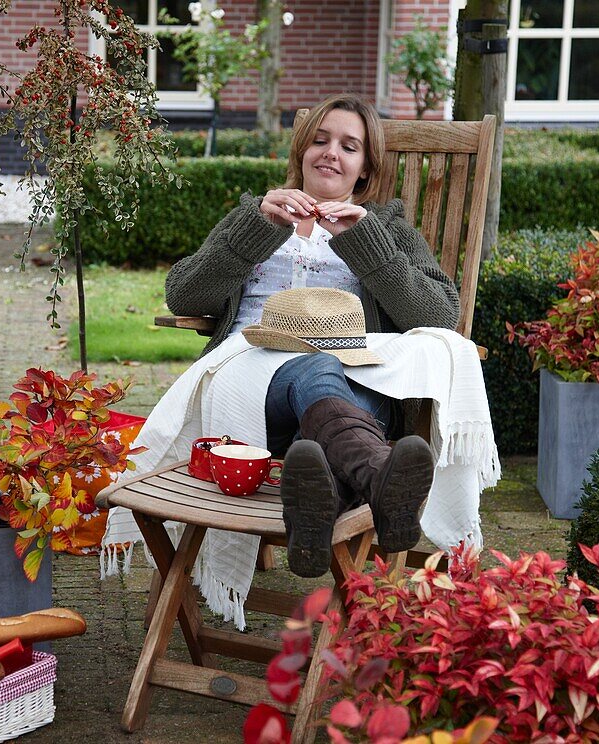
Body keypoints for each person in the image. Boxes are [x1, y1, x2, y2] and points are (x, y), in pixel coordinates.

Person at [162, 93, 461, 578]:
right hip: (253, 390)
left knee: (319, 435)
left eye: (349, 146)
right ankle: (380, 480)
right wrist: (258, 228)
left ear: (365, 167)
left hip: (357, 392)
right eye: (320, 141)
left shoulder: (386, 228)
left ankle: (316, 516)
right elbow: (183, 295)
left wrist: (365, 243)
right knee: (316, 364)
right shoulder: (258, 214)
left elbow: (440, 314)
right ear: (301, 151)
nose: (331, 153)